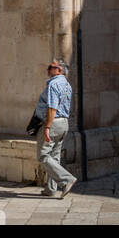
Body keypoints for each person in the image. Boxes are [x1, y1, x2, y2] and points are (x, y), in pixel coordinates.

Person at [29, 58, 76, 199]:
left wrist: (47, 127)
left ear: (59, 70)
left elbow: (52, 107)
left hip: (53, 123)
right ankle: (50, 189)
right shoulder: (67, 85)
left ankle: (67, 179)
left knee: (43, 155)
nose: (48, 69)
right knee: (54, 156)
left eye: (51, 67)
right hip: (64, 123)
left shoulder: (53, 84)